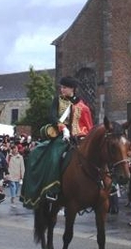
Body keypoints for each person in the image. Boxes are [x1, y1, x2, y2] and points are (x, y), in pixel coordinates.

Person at [21, 76, 94, 208]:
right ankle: (52, 189)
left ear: (72, 89)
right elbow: (52, 116)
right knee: (54, 156)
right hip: (62, 136)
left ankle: (106, 185)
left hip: (79, 136)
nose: (62, 89)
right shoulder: (57, 100)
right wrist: (63, 128)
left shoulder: (82, 105)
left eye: (64, 87)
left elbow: (88, 124)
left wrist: (85, 136)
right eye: (61, 87)